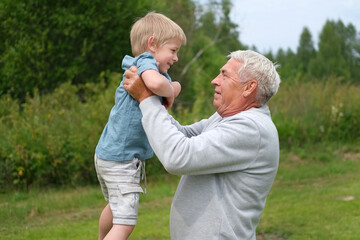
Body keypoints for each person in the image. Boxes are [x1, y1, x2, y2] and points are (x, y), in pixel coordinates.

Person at [123, 49, 281, 240]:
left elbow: (178, 156)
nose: (215, 80)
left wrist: (146, 100)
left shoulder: (250, 128)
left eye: (224, 75)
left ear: (249, 88)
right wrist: (153, 99)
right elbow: (183, 135)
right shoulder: (229, 117)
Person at [94, 12, 186, 240]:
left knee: (115, 207)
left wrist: (173, 84)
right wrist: (173, 89)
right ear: (152, 44)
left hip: (109, 154)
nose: (175, 58)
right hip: (122, 159)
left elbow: (160, 83)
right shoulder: (146, 62)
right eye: (173, 50)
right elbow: (155, 84)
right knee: (125, 223)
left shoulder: (146, 66)